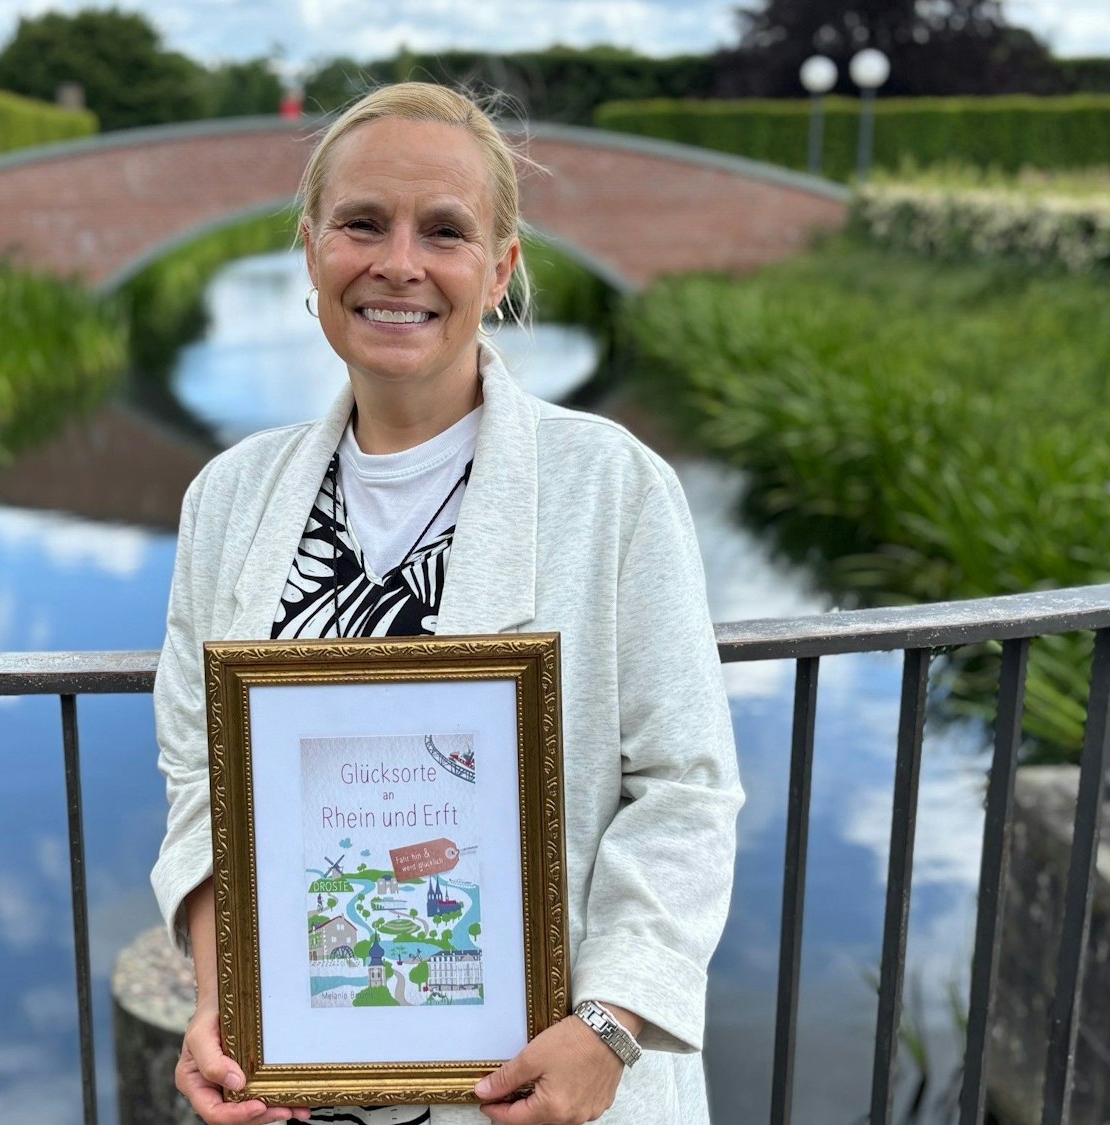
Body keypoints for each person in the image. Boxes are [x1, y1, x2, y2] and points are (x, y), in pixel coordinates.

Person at [150, 82, 743, 1125]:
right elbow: (203, 780)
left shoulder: (611, 485)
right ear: (310, 249)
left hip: (547, 1100)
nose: (398, 264)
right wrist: (225, 1007)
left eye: (444, 231)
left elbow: (685, 791)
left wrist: (609, 1027)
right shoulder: (227, 500)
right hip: (305, 1098)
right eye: (361, 224)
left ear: (500, 268)